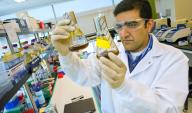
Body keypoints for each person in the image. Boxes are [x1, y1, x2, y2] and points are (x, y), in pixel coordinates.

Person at [51, 0, 189, 113]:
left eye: (132, 24)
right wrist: (65, 53)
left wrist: (123, 86)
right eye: (119, 26)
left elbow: (170, 108)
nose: (123, 34)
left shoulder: (174, 59)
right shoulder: (110, 51)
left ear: (149, 25)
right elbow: (83, 75)